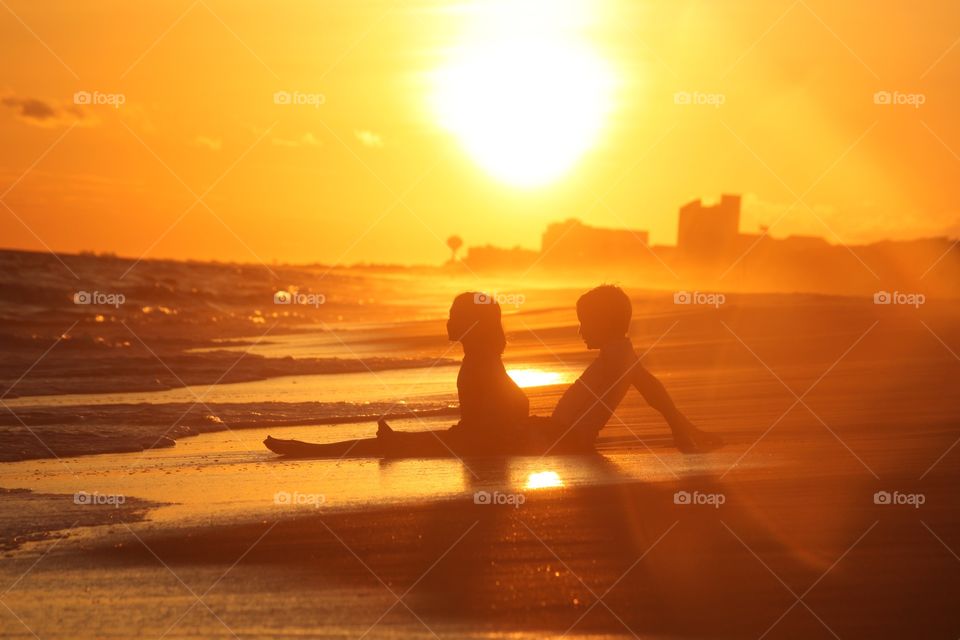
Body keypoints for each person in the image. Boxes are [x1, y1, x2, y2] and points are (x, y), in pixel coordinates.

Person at [264, 292, 528, 457]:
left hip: (486, 444)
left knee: (381, 445)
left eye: (454, 315)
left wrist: (405, 441)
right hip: (486, 439)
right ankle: (311, 449)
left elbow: (478, 435)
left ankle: (311, 450)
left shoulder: (479, 363)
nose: (447, 321)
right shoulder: (482, 358)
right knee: (385, 443)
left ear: (473, 323)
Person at [530, 285, 722, 454]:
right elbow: (651, 388)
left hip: (563, 440)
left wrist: (680, 430)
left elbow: (652, 390)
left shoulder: (618, 357)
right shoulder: (618, 353)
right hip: (557, 436)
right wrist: (683, 428)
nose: (580, 331)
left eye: (584, 323)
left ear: (602, 323)